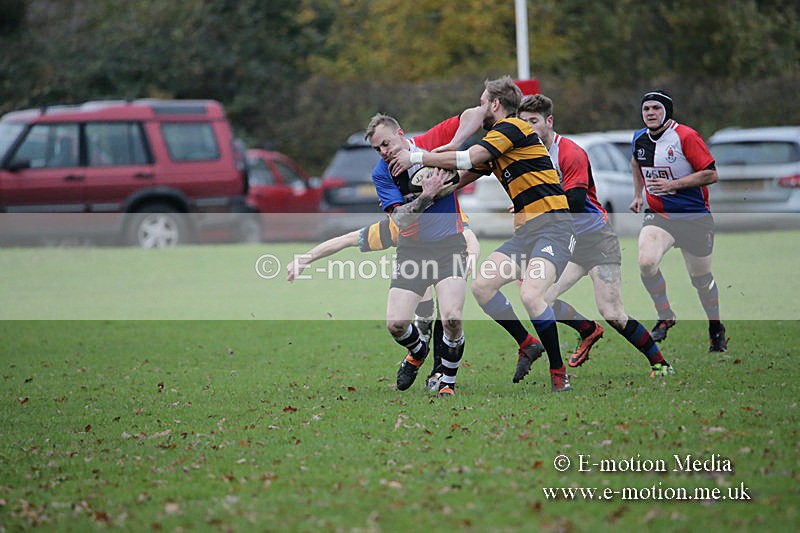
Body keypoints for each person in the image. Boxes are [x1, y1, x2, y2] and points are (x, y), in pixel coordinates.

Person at [390, 76, 575, 392]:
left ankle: (559, 372)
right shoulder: (497, 140)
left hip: (555, 227)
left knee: (531, 295)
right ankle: (528, 343)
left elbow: (467, 159)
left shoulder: (512, 128)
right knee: (483, 287)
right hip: (528, 232)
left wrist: (417, 156)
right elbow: (460, 178)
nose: (479, 108)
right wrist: (424, 195)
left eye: (482, 102)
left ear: (495, 104)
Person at [518, 94, 675, 377]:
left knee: (613, 312)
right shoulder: (530, 156)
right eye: (523, 122)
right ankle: (587, 330)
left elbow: (576, 203)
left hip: (595, 239)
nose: (528, 127)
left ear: (549, 121)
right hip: (566, 241)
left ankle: (660, 363)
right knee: (540, 298)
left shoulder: (571, 152)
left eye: (533, 121)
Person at [286, 215, 481, 390]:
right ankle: (417, 354)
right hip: (416, 268)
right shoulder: (397, 225)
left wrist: (471, 259)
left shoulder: (443, 214)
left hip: (449, 263)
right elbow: (347, 239)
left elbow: (469, 236)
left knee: (449, 317)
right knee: (420, 317)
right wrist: (303, 260)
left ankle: (439, 374)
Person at [366, 108, 484, 398]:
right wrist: (427, 194)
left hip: (449, 245)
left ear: (401, 135)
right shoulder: (382, 173)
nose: (383, 151)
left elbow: (476, 114)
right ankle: (417, 351)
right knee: (396, 325)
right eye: (377, 148)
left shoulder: (432, 141)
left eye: (386, 143)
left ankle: (447, 382)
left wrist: (455, 144)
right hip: (412, 251)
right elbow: (400, 220)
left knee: (452, 318)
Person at [628, 90, 728, 352]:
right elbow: (635, 164)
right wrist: (638, 195)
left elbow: (711, 174)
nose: (650, 113)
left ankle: (715, 326)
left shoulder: (685, 136)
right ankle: (665, 315)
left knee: (701, 279)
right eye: (646, 108)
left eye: (656, 108)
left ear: (667, 112)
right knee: (646, 262)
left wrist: (673, 184)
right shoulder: (639, 138)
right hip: (660, 215)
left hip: (694, 217)